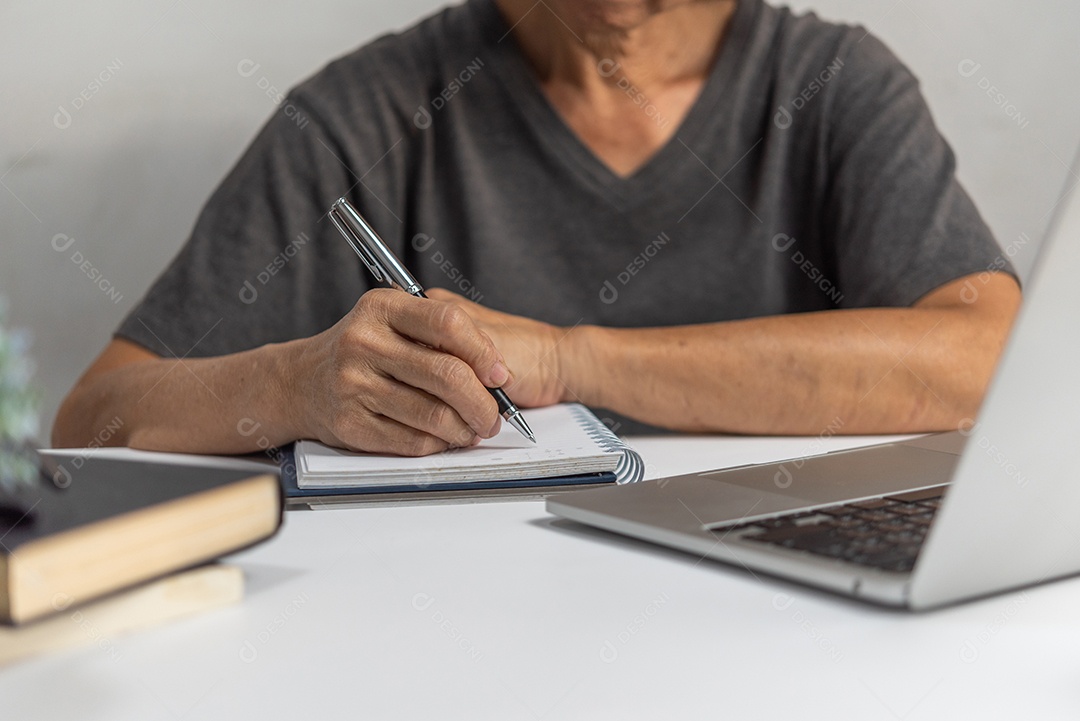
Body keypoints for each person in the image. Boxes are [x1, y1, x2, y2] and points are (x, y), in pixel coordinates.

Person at [53, 0, 1020, 456]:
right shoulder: (368, 115)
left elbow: (985, 360)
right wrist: (291, 383)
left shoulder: (837, 89)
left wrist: (570, 360)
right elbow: (93, 418)